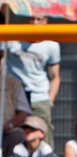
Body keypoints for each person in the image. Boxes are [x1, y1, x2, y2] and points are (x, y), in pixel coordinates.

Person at [6, 16, 60, 146]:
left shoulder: (51, 45)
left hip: (38, 98)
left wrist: (49, 101)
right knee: (13, 137)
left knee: (44, 139)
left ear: (45, 21)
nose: (34, 23)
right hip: (15, 99)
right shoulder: (11, 40)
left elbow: (55, 77)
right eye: (31, 19)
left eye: (39, 20)